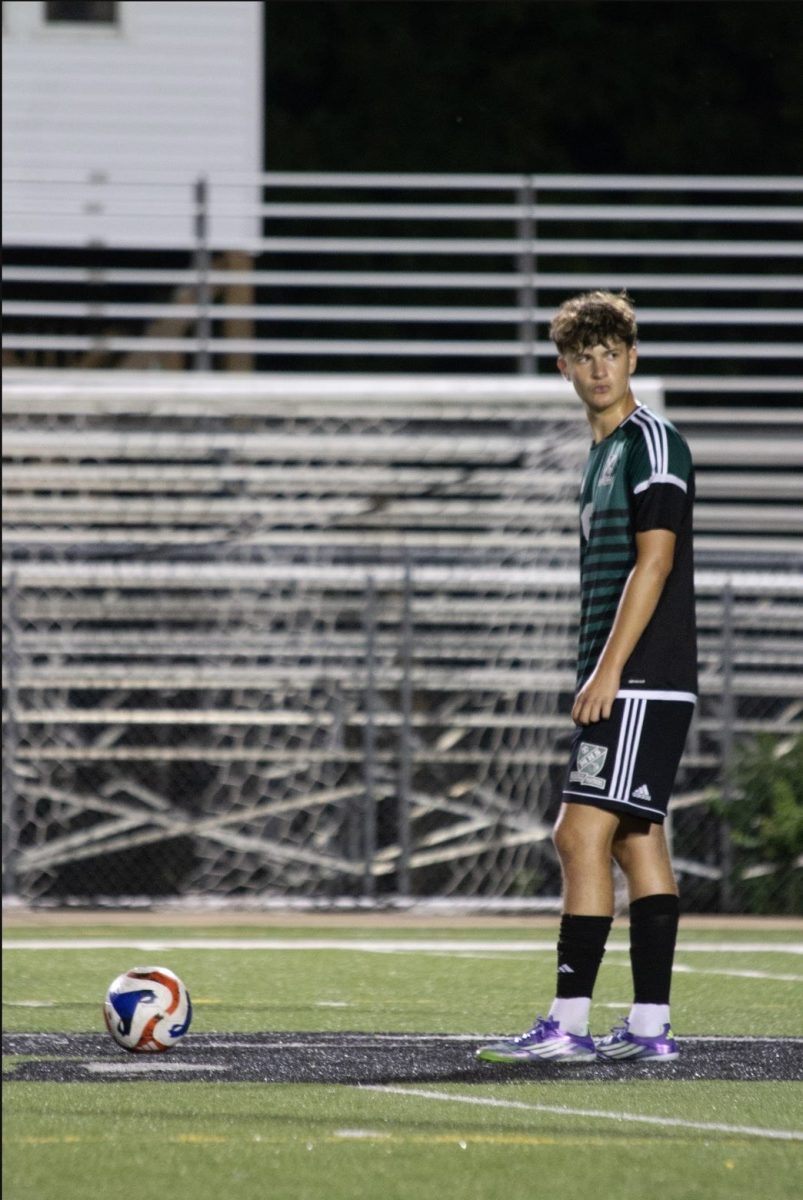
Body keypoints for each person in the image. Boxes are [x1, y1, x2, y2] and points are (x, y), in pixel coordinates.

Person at [478, 290, 697, 1064]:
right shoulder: (601, 454)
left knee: (577, 835)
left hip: (639, 675)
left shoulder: (651, 442)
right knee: (638, 843)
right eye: (586, 356)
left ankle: (567, 1025)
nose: (601, 369)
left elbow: (656, 560)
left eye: (614, 354)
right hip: (633, 675)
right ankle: (647, 1032)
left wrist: (607, 672)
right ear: (564, 366)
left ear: (632, 359)